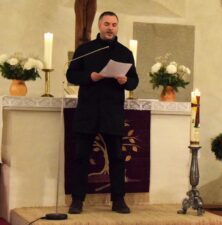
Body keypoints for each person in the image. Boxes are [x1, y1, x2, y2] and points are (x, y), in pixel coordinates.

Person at [66, 11, 139, 214]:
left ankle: (118, 201)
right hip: (88, 111)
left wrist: (126, 81)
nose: (110, 28)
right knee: (81, 157)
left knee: (116, 158)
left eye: (114, 24)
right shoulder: (85, 50)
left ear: (117, 27)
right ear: (99, 26)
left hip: (112, 112)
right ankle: (77, 200)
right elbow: (71, 74)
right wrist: (90, 76)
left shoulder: (125, 53)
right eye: (107, 24)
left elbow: (134, 80)